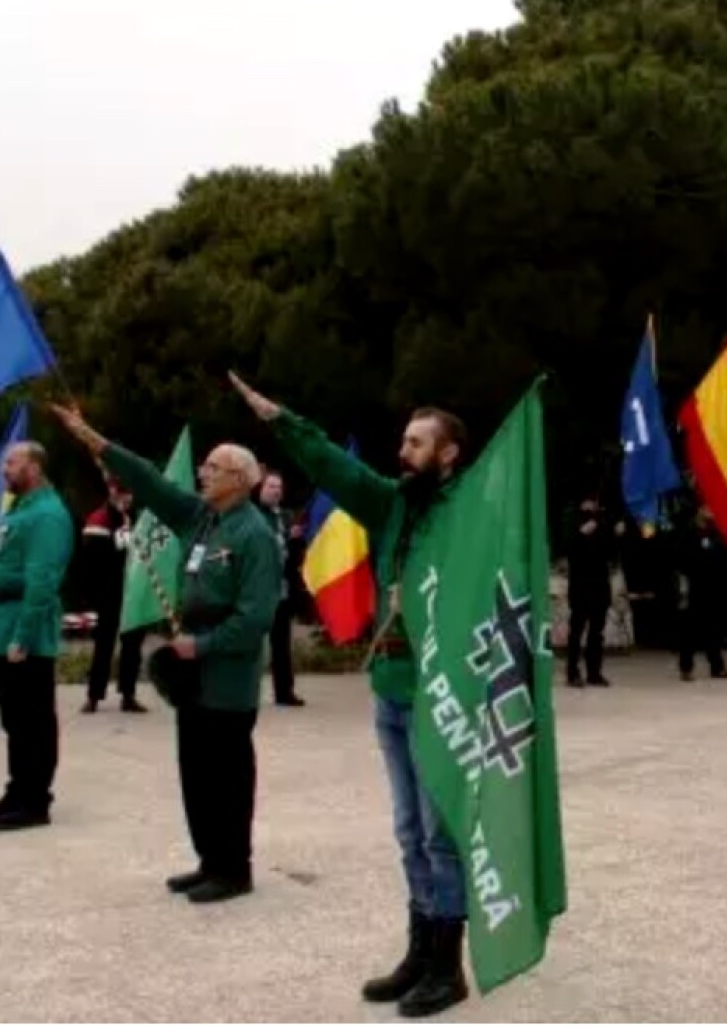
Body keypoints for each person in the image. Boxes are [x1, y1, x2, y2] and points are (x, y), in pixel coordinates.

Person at [227, 372, 472, 1018]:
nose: (404, 452)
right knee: (408, 829)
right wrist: (280, 419)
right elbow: (332, 465)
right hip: (391, 688)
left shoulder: (472, 515)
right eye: (404, 441)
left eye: (418, 443)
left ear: (448, 454)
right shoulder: (392, 504)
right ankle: (420, 950)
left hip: (438, 694)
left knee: (441, 833)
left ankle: (449, 966)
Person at [53, 405, 282, 905]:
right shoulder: (200, 518)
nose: (203, 472)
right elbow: (150, 483)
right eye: (205, 466)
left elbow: (255, 617)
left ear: (242, 480)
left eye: (215, 468)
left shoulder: (254, 535)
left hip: (225, 675)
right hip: (191, 673)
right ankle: (208, 861)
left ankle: (233, 868)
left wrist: (202, 644)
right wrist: (96, 441)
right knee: (195, 772)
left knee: (227, 778)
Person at [0, 442, 74, 831]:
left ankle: (35, 801)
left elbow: (42, 580)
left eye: (11, 463)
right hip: (2, 624)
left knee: (33, 719)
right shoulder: (20, 510)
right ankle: (17, 791)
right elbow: (4, 565)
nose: (4, 471)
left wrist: (24, 635)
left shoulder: (47, 515)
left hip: (23, 628)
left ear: (34, 465)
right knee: (15, 719)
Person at [80, 483, 148, 714]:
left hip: (134, 592)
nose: (125, 498)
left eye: (128, 493)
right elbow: (91, 560)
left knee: (133, 645)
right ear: (111, 492)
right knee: (104, 644)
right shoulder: (99, 520)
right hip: (109, 593)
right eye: (120, 493)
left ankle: (128, 694)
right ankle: (94, 695)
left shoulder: (139, 519)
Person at [257, 471, 306, 707]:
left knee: (282, 643)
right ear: (261, 489)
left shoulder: (286, 516)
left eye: (278, 487)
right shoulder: (254, 515)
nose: (275, 490)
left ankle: (284, 692)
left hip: (282, 589)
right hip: (257, 591)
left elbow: (294, 556)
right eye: (270, 486)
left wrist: (295, 539)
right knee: (252, 643)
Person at [675, 506, 727, 681]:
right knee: (691, 630)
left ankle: (717, 667)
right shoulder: (690, 532)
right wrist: (695, 571)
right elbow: (680, 559)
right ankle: (686, 668)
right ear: (700, 510)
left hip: (716, 588)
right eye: (707, 508)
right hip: (697, 587)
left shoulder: (716, 532)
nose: (711, 511)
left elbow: (726, 557)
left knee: (715, 629)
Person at [564, 496, 614, 689]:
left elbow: (610, 553)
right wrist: (581, 534)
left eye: (594, 502)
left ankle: (594, 672)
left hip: (600, 585)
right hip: (580, 585)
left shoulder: (602, 522)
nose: (591, 505)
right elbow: (567, 548)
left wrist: (614, 534)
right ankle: (572, 672)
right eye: (588, 501)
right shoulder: (572, 520)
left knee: (597, 632)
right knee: (576, 631)